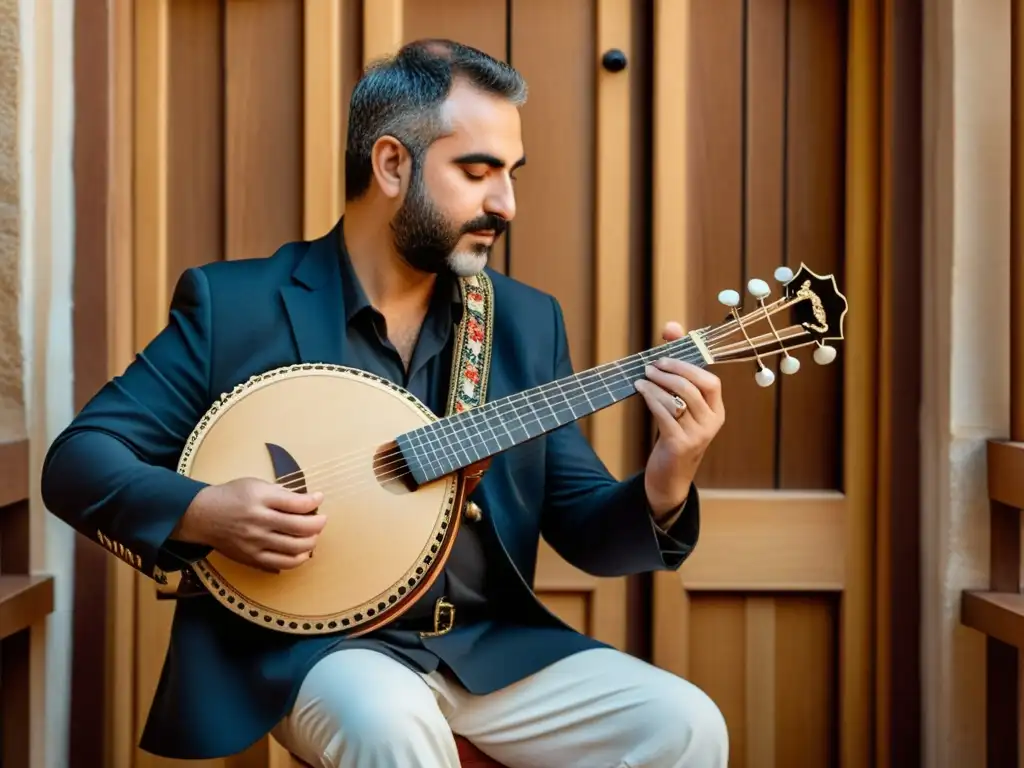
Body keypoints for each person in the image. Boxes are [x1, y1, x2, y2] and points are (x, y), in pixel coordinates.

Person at [42, 39, 728, 768]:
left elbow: (583, 525)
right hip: (313, 653)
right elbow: (78, 462)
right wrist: (203, 511)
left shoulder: (523, 322)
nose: (506, 203)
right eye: (477, 171)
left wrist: (668, 478)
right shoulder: (237, 306)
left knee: (685, 724)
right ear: (392, 164)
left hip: (484, 650)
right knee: (390, 719)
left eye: (511, 174)